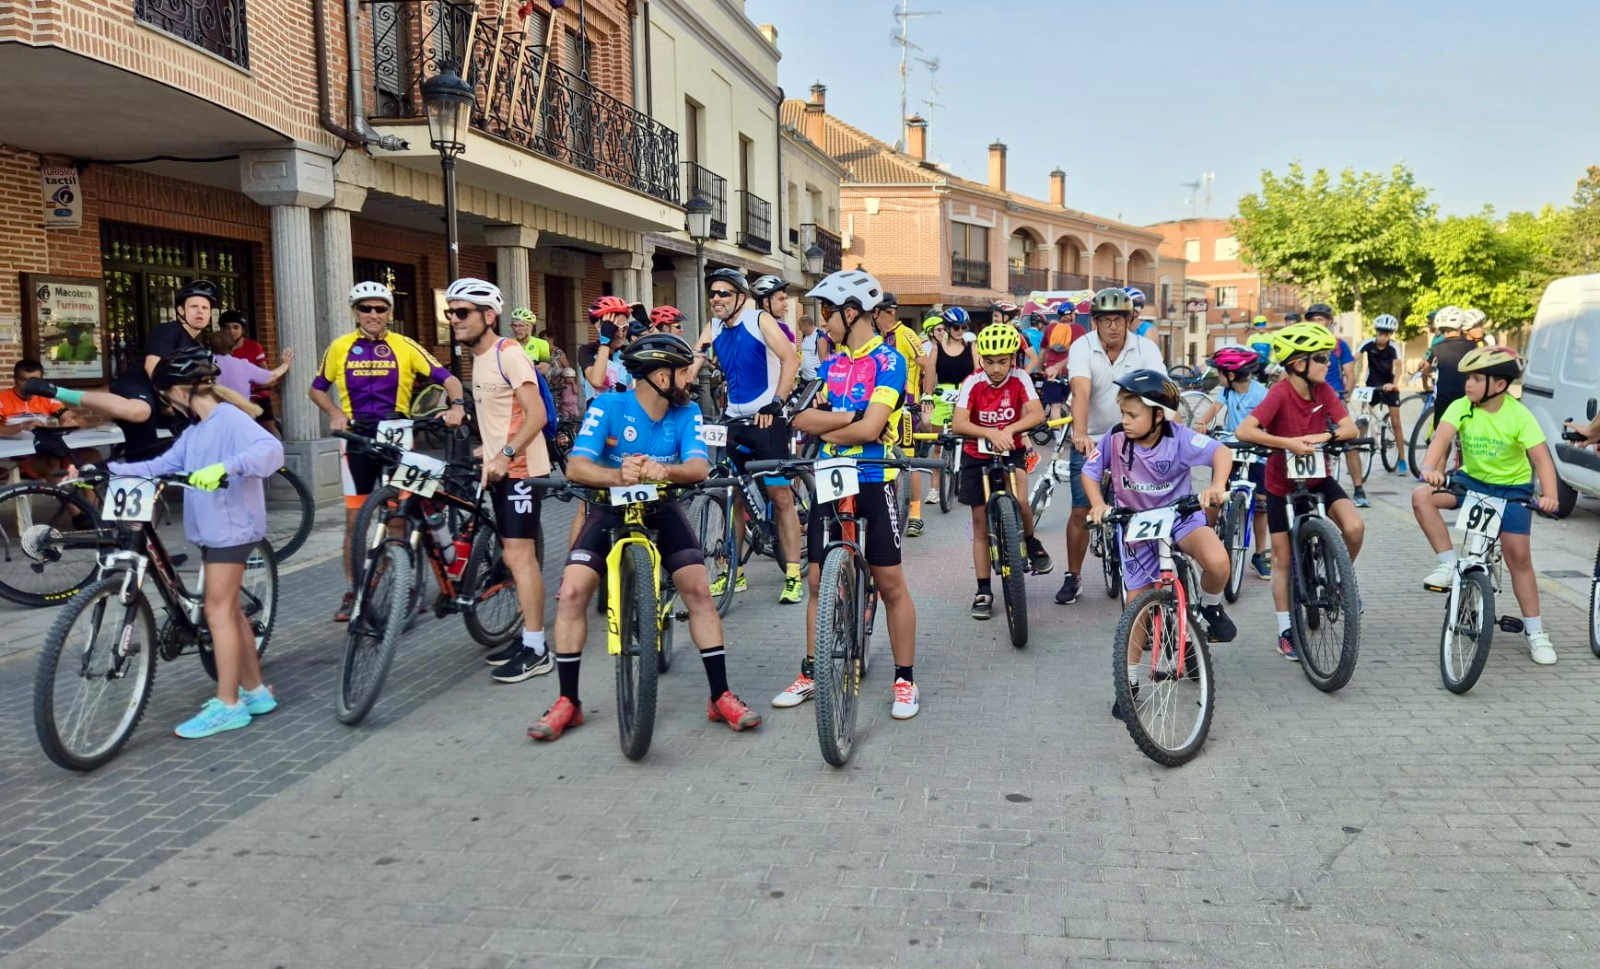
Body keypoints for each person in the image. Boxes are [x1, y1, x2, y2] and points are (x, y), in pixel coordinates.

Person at [530, 333, 762, 741]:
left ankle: (720, 695)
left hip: (663, 506)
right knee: (572, 593)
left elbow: (698, 468)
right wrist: (616, 475)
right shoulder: (608, 406)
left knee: (698, 590)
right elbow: (577, 467)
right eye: (683, 372)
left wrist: (664, 470)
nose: (689, 379)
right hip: (608, 507)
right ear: (661, 376)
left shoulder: (687, 411)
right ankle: (568, 701)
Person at [105, 347, 284, 738]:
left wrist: (225, 467)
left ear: (179, 392)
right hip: (216, 530)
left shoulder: (229, 418)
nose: (167, 406)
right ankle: (255, 692)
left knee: (217, 613)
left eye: (166, 397)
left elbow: (271, 450)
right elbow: (160, 466)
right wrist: (107, 470)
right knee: (230, 612)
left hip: (231, 530)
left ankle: (228, 705)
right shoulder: (197, 431)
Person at [781, 269, 921, 719]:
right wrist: (852, 418)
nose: (823, 320)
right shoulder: (831, 364)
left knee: (890, 582)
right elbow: (800, 419)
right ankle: (811, 671)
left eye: (827, 311)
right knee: (816, 581)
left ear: (852, 311)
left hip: (873, 476)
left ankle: (905, 680)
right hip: (830, 474)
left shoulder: (889, 361)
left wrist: (840, 423)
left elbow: (872, 429)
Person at [309, 280, 467, 622]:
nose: (373, 314)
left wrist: (456, 406)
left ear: (389, 313)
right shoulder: (340, 347)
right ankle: (354, 590)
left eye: (380, 308)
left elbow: (450, 379)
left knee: (398, 515)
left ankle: (403, 583)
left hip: (397, 434)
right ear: (355, 312)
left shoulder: (404, 345)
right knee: (355, 521)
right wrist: (334, 412)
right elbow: (317, 388)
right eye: (365, 308)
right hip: (356, 438)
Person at [1084, 370, 1235, 719]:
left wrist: (1216, 484)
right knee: (1136, 606)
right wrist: (1097, 503)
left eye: (1133, 415)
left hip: (1180, 517)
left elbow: (1222, 452)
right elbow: (1090, 473)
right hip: (1138, 526)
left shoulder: (1178, 438)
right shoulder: (1115, 438)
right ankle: (1130, 681)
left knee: (1217, 562)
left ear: (1158, 416)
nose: (1125, 421)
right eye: (1123, 413)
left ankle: (1210, 608)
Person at [1412, 346, 1560, 664]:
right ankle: (1448, 565)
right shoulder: (1461, 407)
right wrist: (1430, 468)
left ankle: (1536, 633)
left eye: (1477, 379)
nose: (1468, 384)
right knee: (1421, 496)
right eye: (1468, 378)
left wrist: (1550, 495)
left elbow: (1541, 459)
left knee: (1519, 557)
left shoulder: (1519, 415)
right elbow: (1440, 440)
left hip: (1512, 491)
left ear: (1500, 384)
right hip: (1471, 484)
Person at [1232, 322, 1365, 661]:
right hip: (1281, 485)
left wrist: (1326, 436)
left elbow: (1349, 427)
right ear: (1297, 363)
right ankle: (1285, 630)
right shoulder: (1280, 393)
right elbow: (1245, 430)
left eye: (1327, 357)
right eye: (1320, 358)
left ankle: (1340, 582)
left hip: (1318, 479)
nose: (1327, 363)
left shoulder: (1324, 391)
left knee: (1354, 527)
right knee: (1282, 558)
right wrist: (1286, 443)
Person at [446, 279, 555, 683]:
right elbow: (501, 415)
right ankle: (525, 636)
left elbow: (536, 415)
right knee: (510, 555)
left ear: (489, 316)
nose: (454, 320)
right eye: (450, 313)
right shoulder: (478, 356)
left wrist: (505, 454)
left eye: (462, 312)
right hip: (499, 468)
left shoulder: (509, 354)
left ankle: (537, 650)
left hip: (521, 470)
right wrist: (486, 451)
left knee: (518, 557)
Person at [697, 268, 804, 604]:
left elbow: (791, 360)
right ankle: (735, 573)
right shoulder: (713, 327)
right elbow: (693, 361)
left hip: (767, 420)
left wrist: (777, 402)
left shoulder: (759, 320)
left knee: (781, 497)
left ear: (740, 297)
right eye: (712, 293)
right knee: (734, 498)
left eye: (724, 293)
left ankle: (793, 574)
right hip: (733, 421)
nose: (716, 299)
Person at [1057, 288, 1166, 605]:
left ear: (1129, 320)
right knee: (1081, 510)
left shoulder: (1145, 348)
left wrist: (1165, 432)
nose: (1113, 326)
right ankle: (1073, 575)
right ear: (1095, 322)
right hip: (1092, 435)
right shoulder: (1083, 346)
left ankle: (1145, 572)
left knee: (1143, 507)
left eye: (1119, 319)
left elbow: (1160, 389)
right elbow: (1080, 390)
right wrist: (1080, 432)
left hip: (1135, 436)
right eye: (1105, 320)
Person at [952, 324, 1054, 619]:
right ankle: (983, 590)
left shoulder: (1020, 378)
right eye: (990, 361)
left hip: (1012, 450)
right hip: (976, 454)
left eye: (1003, 361)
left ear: (1013, 359)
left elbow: (1036, 413)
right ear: (981, 360)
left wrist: (1008, 430)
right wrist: (990, 432)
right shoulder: (972, 382)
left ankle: (1030, 541)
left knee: (1021, 501)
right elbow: (959, 422)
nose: (996, 368)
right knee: (979, 523)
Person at [1192, 347, 1273, 579]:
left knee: (1262, 504)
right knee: (1216, 494)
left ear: (1231, 375)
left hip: (1256, 452)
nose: (1218, 376)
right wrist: (1202, 423)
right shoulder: (1227, 392)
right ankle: (1206, 539)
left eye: (1219, 372)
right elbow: (1214, 409)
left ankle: (1260, 554)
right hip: (1231, 450)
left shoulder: (1261, 393)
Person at [873, 293, 932, 537]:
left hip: (907, 407)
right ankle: (892, 510)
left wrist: (927, 396)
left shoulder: (905, 333)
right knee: (886, 460)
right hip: (882, 407)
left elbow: (927, 364)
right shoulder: (875, 337)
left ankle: (915, 515)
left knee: (909, 461)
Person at [1304, 304, 1367, 506]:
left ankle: (1359, 489)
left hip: (1334, 399)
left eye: (1321, 319)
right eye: (1313, 319)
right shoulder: (1302, 344)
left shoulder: (1339, 345)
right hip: (1309, 400)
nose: (1317, 323)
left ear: (1329, 322)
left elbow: (1350, 374)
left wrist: (1344, 396)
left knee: (1349, 443)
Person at [0, 359, 97, 479]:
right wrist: (21, 426)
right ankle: (59, 490)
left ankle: (85, 492)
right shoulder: (2, 398)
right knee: (51, 462)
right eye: (23, 380)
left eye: (34, 381)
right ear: (14, 379)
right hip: (14, 455)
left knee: (91, 455)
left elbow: (79, 420)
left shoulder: (46, 399)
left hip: (45, 448)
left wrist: (73, 422)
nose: (29, 385)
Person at [920, 311, 977, 504]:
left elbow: (978, 372)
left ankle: (969, 483)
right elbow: (930, 372)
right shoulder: (938, 348)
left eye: (964, 327)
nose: (960, 331)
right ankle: (934, 489)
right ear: (948, 328)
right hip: (942, 395)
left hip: (965, 394)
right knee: (938, 445)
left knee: (969, 443)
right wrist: (927, 394)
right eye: (956, 327)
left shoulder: (971, 346)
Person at [1357, 313, 1409, 475]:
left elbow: (1398, 367)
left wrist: (1394, 384)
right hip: (1371, 386)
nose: (1383, 336)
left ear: (1391, 334)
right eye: (1380, 332)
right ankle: (1357, 457)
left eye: (1386, 334)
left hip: (1389, 386)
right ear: (1376, 332)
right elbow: (1353, 360)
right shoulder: (1367, 344)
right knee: (1363, 419)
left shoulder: (1394, 347)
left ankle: (1402, 460)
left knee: (1396, 422)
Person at [217, 310, 281, 436]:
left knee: (269, 429)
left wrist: (250, 386)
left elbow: (266, 375)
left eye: (236, 327)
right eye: (226, 328)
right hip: (230, 398)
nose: (231, 331)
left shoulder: (253, 346)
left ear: (243, 330)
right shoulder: (218, 350)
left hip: (257, 396)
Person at [143, 280, 219, 377]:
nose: (200, 311)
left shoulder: (197, 346)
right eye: (194, 306)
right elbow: (151, 367)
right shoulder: (167, 331)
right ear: (181, 310)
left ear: (210, 314)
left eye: (205, 308)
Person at [578, 296, 635, 405]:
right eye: (614, 328)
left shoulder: (628, 351)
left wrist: (649, 325)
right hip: (599, 414)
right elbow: (597, 381)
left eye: (624, 328)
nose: (620, 334)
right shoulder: (587, 351)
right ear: (598, 326)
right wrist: (605, 342)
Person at [1039, 306, 1085, 437]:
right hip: (1072, 373)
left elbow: (1043, 351)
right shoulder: (1080, 329)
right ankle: (1075, 435)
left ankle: (1058, 439)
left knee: (1055, 406)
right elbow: (1083, 351)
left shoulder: (1050, 328)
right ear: (1071, 315)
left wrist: (1040, 368)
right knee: (1073, 406)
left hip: (1052, 372)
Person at [208, 332, 291, 403]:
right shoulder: (243, 365)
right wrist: (285, 364)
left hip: (212, 413)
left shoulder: (206, 365)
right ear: (233, 348)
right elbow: (271, 376)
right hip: (240, 412)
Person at [750, 275, 797, 342]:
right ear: (766, 302)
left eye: (785, 299)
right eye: (781, 299)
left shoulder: (783, 328)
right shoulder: (749, 328)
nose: (786, 304)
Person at [509, 308, 552, 373]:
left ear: (530, 327)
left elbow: (544, 368)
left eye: (521, 326)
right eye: (514, 326)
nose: (516, 329)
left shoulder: (541, 343)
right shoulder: (507, 343)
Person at [797, 314, 828, 382]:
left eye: (800, 326)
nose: (799, 329)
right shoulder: (805, 337)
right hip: (804, 378)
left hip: (816, 378)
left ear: (806, 326)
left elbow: (824, 359)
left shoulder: (819, 336)